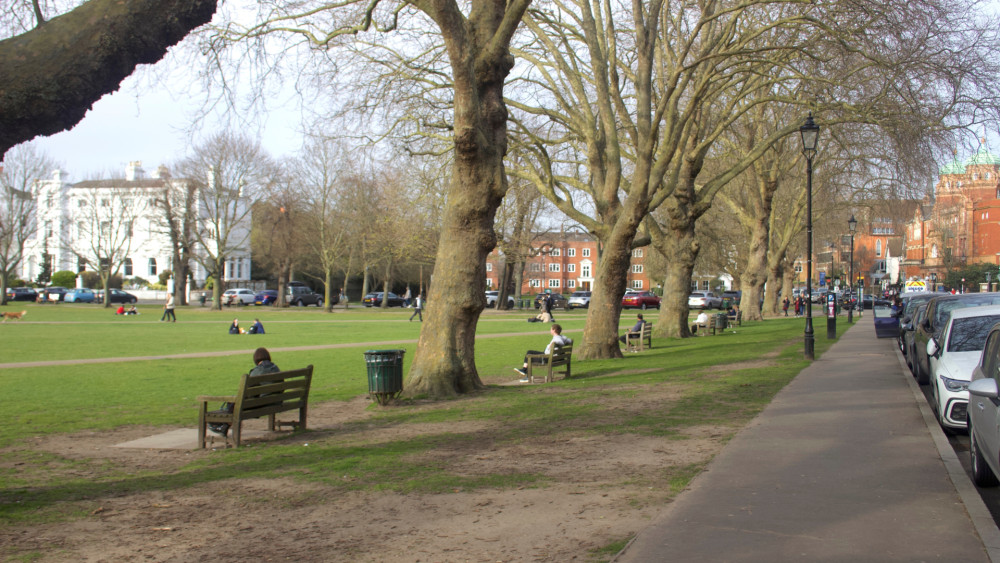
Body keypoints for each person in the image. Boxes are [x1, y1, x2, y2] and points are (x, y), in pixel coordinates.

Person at [208, 347, 282, 437]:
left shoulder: (257, 371)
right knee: (236, 403)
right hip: (276, 401)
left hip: (262, 404)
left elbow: (248, 392)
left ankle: (224, 425)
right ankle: (224, 425)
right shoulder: (275, 368)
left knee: (235, 403)